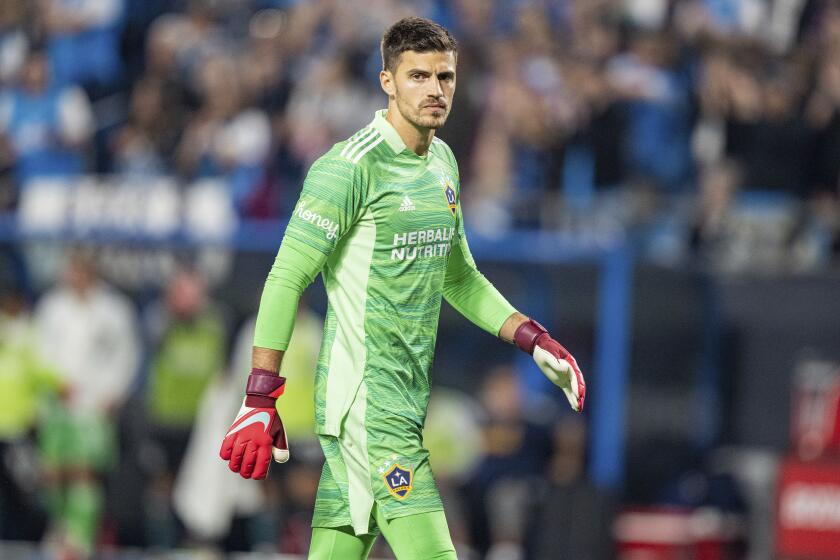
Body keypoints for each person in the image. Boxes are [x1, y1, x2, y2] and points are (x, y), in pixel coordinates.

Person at [219, 17, 586, 560]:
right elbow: (285, 278)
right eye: (418, 76)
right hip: (366, 404)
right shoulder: (348, 169)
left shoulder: (441, 162)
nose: (435, 91)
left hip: (406, 399)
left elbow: (458, 277)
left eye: (445, 77)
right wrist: (258, 396)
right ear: (387, 81)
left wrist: (533, 338)